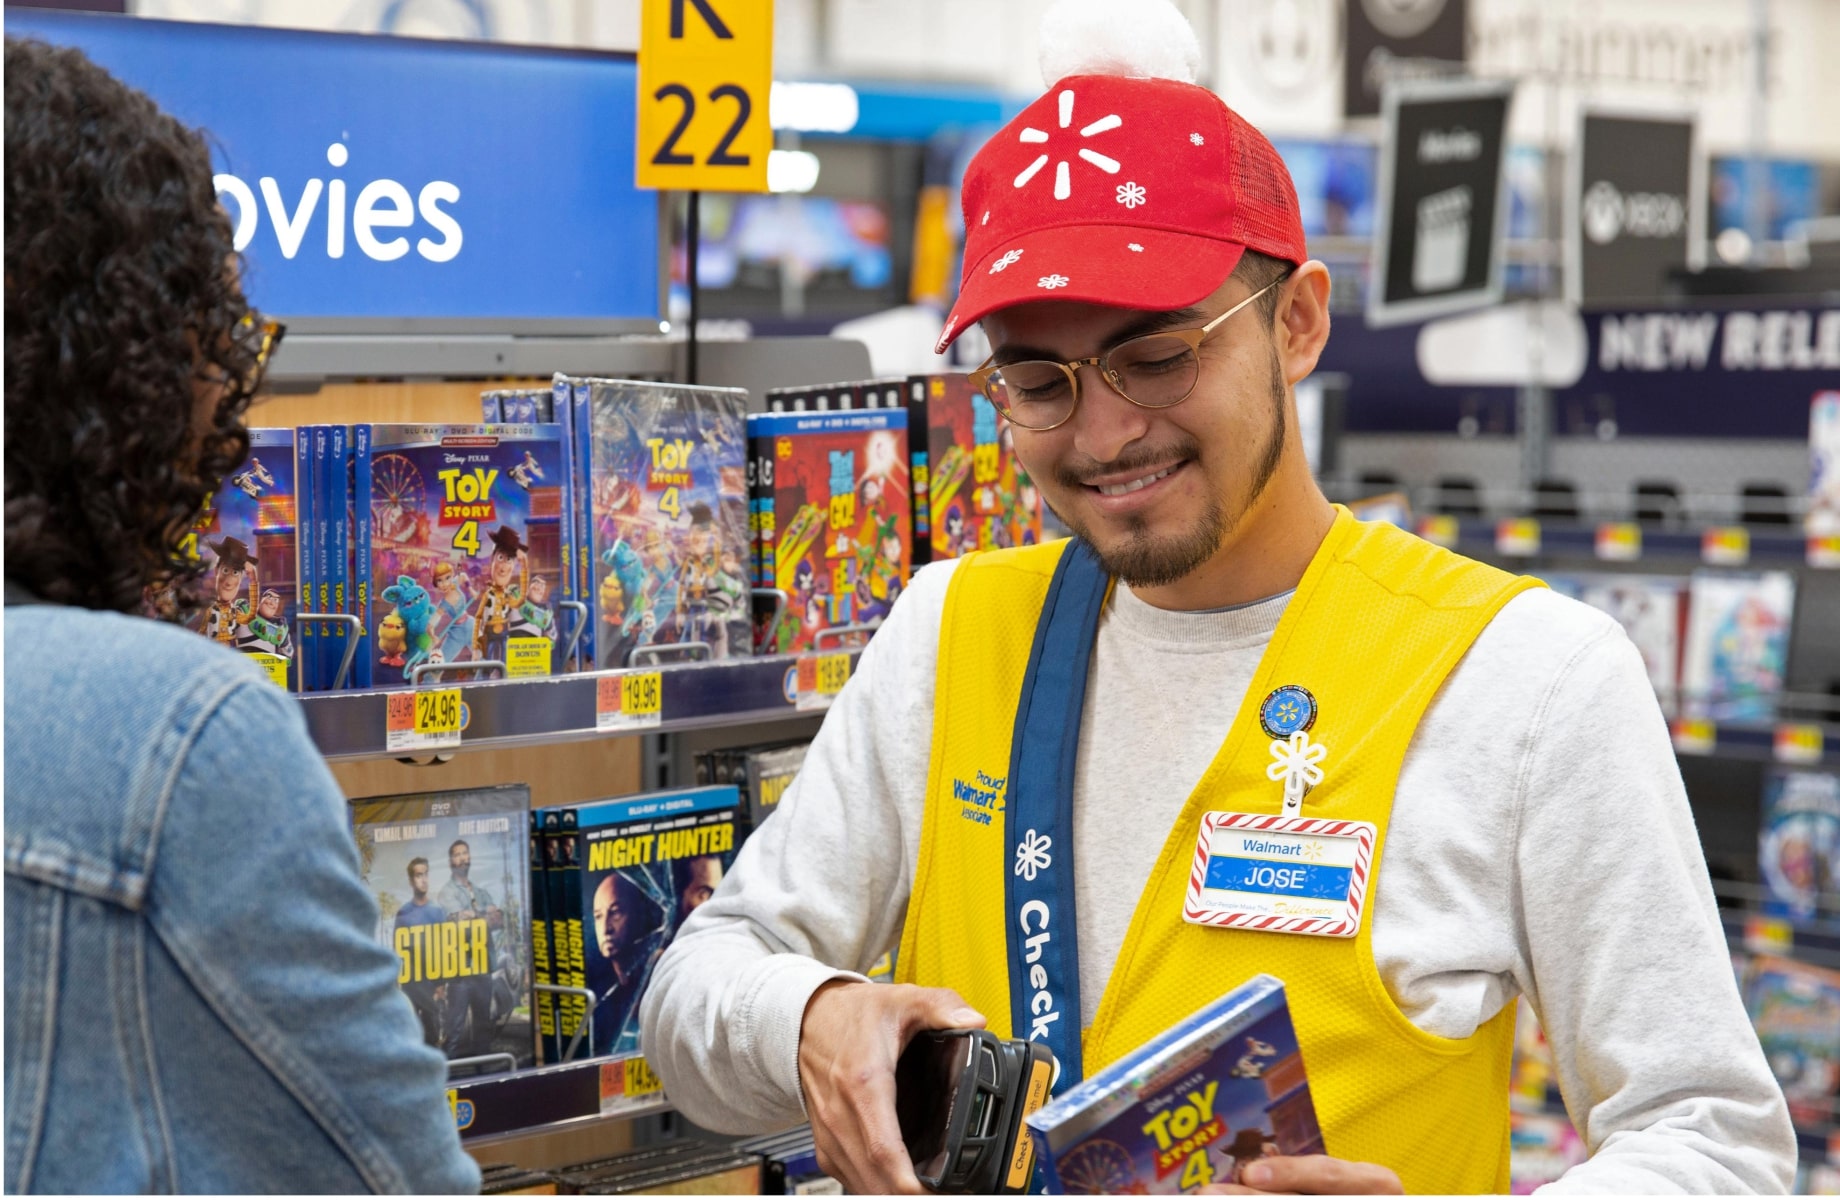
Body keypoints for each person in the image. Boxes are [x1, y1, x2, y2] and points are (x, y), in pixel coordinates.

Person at [640, 5, 1794, 1195]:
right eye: (1038, 380)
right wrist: (812, 1016)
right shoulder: (949, 630)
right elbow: (691, 1001)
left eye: (1156, 357)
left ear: (1295, 322)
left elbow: (1712, 1140)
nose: (1103, 432)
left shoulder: (1526, 678)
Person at [3, 37, 478, 1193]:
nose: (228, 402)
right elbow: (397, 1175)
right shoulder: (175, 738)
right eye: (219, 341)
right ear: (127, 370)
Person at [394, 858, 450, 1047]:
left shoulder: (437, 911)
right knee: (412, 1035)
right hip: (411, 984)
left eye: (426, 874)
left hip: (432, 984)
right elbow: (398, 950)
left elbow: (443, 948)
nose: (424, 879)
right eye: (419, 875)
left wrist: (441, 984)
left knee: (433, 1034)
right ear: (411, 881)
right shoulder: (403, 914)